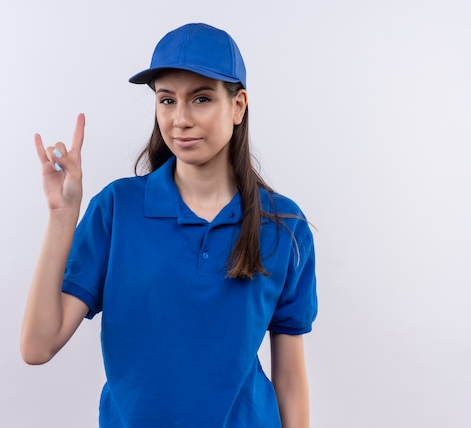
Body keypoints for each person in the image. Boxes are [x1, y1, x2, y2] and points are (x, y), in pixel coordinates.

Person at [21, 22, 318, 428]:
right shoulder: (117, 209)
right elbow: (37, 346)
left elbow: (290, 379)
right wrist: (61, 216)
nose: (180, 119)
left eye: (200, 98)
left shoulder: (284, 227)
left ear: (238, 105)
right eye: (166, 100)